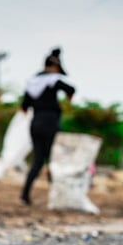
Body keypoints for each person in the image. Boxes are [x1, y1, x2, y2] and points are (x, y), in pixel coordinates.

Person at [19, 48, 75, 206]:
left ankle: (24, 195)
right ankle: (56, 197)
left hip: (35, 124)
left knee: (37, 161)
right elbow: (71, 90)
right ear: (54, 67)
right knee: (54, 160)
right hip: (50, 123)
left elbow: (24, 107)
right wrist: (68, 98)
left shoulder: (33, 82)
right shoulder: (53, 79)